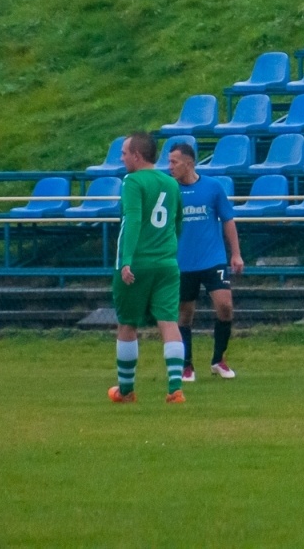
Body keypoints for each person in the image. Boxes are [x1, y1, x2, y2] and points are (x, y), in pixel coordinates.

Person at [109, 132, 186, 404]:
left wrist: (127, 259)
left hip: (137, 263)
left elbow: (132, 219)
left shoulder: (132, 181)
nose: (122, 158)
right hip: (167, 263)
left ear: (137, 156)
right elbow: (178, 222)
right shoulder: (171, 182)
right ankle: (175, 388)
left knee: (127, 323)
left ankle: (126, 391)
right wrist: (169, 251)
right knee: (168, 321)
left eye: (124, 153)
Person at [169, 142, 243, 381]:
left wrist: (236, 253)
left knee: (225, 306)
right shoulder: (170, 191)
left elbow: (228, 220)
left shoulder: (212, 187)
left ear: (189, 163)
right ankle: (186, 365)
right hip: (182, 262)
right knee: (184, 314)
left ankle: (218, 360)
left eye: (174, 162)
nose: (170, 167)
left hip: (213, 259)